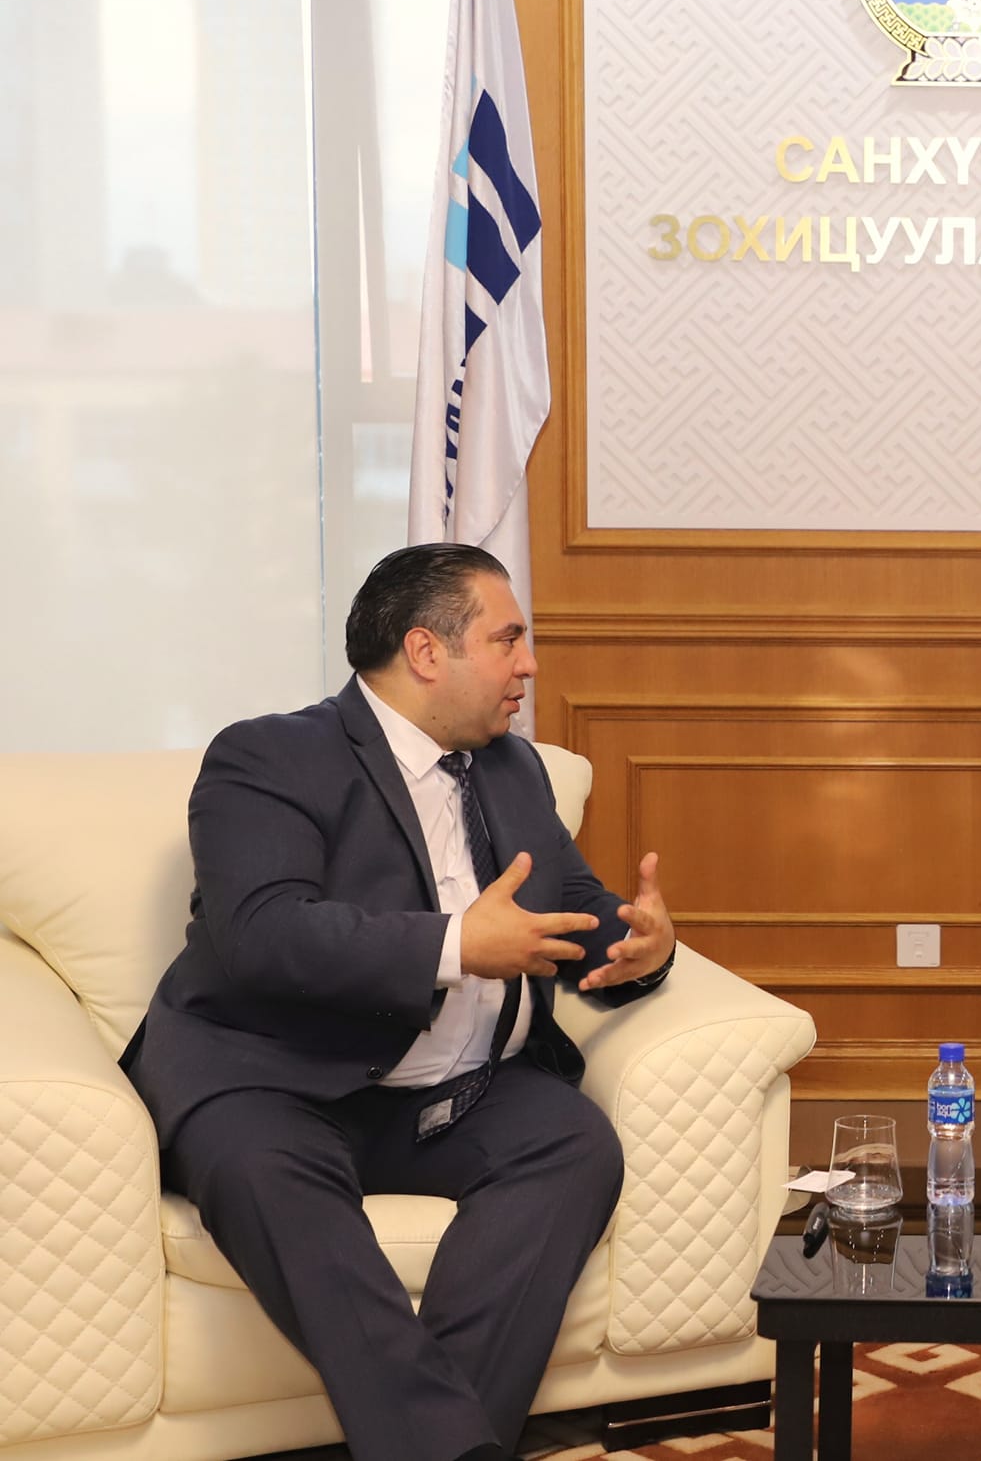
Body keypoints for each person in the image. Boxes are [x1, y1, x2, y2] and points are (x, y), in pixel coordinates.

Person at [121, 544, 679, 1461]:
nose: (529, 665)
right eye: (507, 640)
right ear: (426, 651)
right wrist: (456, 946)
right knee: (265, 1175)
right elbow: (262, 932)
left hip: (463, 1091)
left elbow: (573, 912)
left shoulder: (514, 768)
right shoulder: (269, 756)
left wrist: (639, 947)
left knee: (574, 1144)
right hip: (277, 1082)